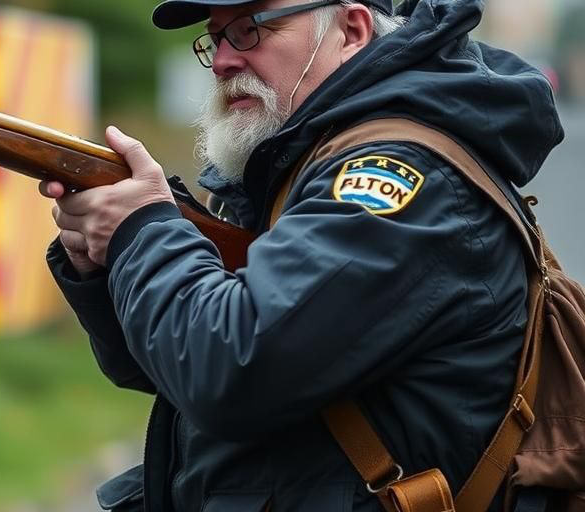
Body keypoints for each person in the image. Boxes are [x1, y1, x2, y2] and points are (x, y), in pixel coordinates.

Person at [40, 0, 565, 510]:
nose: (223, 60)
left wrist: (144, 229)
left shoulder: (397, 178)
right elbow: (165, 367)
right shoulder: (290, 165)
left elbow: (228, 371)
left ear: (352, 31)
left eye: (250, 29)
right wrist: (104, 260)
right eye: (216, 37)